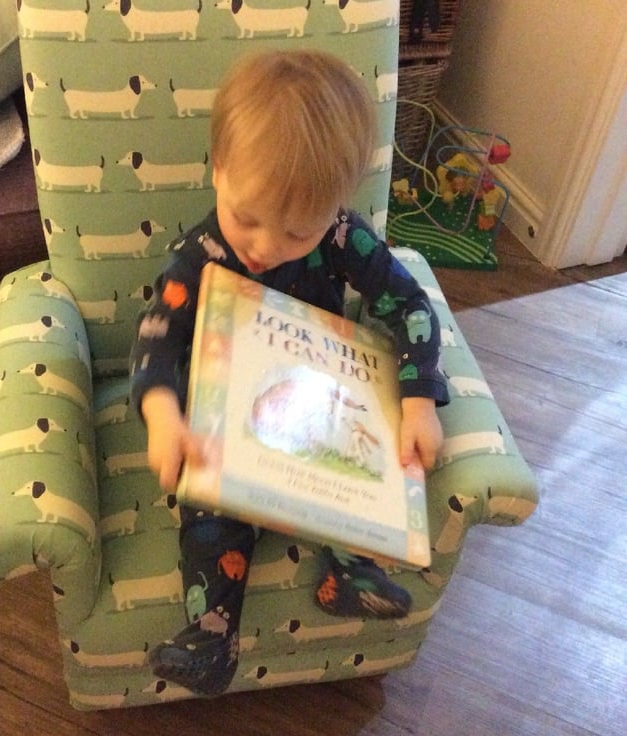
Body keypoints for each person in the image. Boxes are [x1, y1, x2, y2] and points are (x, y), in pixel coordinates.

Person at [130, 49, 449, 696]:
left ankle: (348, 576)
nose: (264, 247)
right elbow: (155, 339)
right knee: (209, 515)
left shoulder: (342, 237)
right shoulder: (201, 256)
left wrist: (418, 398)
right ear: (218, 169)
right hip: (225, 418)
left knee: (355, 471)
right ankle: (212, 636)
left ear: (335, 207)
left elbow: (410, 307)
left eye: (297, 233)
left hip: (316, 405)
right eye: (247, 217)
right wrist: (162, 415)